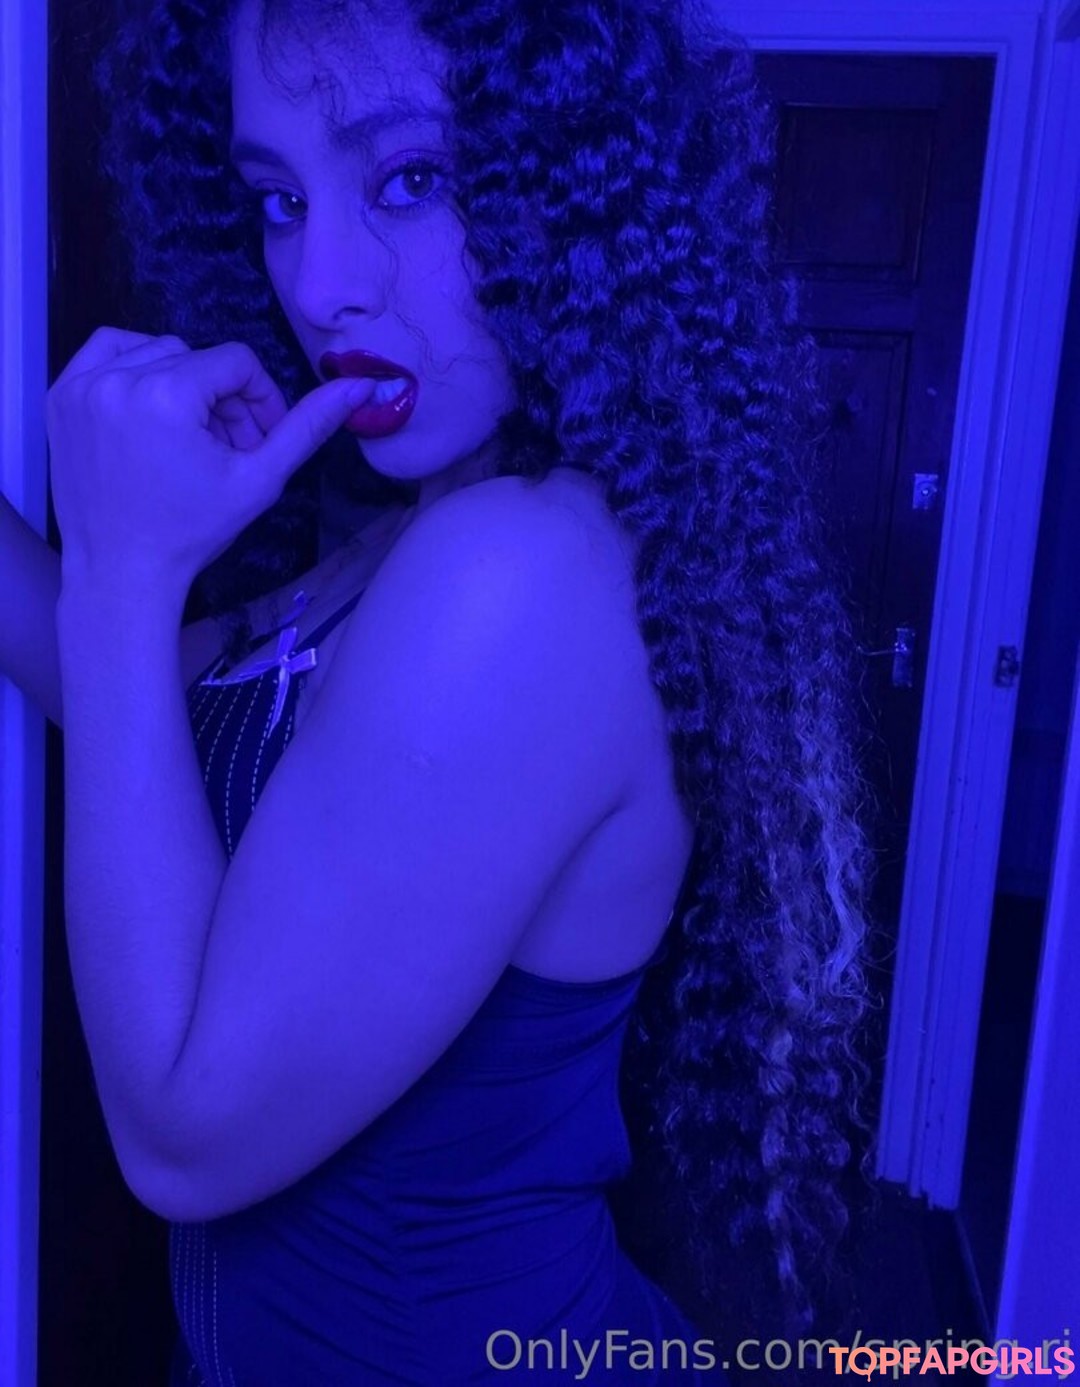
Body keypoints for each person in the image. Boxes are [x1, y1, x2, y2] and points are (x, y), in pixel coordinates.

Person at [1, 0, 877, 1381]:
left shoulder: (521, 571)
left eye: (411, 178)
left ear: (568, 192)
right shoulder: (417, 533)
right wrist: (109, 583)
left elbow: (182, 1138)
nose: (321, 283)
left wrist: (122, 565)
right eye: (277, 198)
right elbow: (125, 704)